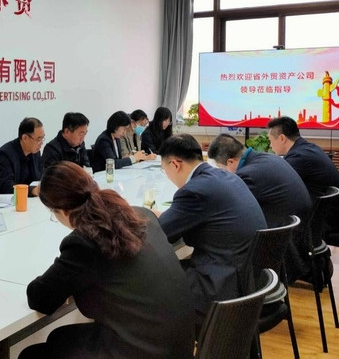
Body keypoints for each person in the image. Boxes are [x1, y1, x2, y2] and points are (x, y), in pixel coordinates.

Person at [19, 162, 195, 359]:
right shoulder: (141, 214)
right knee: (60, 337)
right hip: (179, 344)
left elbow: (40, 299)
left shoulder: (84, 242)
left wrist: (62, 268)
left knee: (32, 354)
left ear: (63, 210)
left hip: (143, 350)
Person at [155, 134, 266, 321]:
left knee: (151, 275)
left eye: (164, 169)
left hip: (221, 286)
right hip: (249, 279)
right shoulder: (225, 176)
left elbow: (160, 233)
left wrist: (150, 217)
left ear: (175, 164)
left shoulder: (194, 191)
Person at [208, 133, 312, 281]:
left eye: (220, 168)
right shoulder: (266, 158)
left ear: (231, 162)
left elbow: (230, 209)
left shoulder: (247, 175)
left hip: (282, 242)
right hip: (296, 232)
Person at [267, 116, 339, 202]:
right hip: (330, 204)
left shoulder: (298, 157)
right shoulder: (309, 148)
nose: (270, 145)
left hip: (321, 207)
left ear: (282, 138)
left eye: (271, 141)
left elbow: (275, 183)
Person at [0, 117, 44, 197]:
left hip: (27, 199)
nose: (41, 143)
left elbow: (39, 177)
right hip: (3, 201)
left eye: (42, 138)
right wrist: (33, 190)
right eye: (38, 139)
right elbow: (7, 187)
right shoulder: (4, 155)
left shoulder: (35, 152)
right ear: (25, 138)